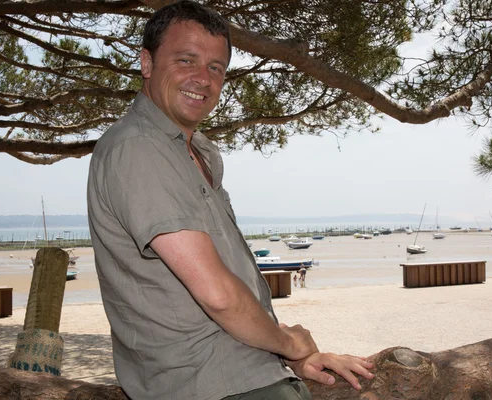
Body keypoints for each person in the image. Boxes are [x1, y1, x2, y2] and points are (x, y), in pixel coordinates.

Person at [87, 2, 374, 399]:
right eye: (185, 60)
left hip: (246, 372)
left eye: (216, 68)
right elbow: (218, 295)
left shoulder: (195, 153)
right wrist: (291, 344)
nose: (202, 79)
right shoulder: (139, 149)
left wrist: (293, 359)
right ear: (147, 63)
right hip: (210, 384)